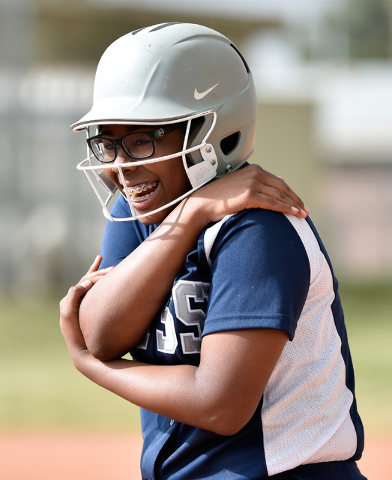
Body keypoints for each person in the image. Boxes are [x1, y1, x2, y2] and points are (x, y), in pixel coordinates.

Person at [60, 23, 366, 479]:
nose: (122, 166)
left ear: (213, 130)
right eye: (107, 143)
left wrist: (91, 367)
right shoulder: (144, 211)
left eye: (142, 139)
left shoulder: (257, 229)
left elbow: (220, 404)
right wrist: (189, 217)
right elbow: (104, 334)